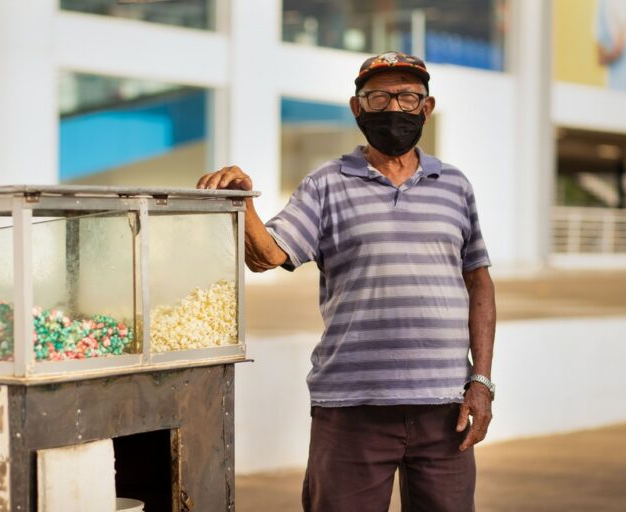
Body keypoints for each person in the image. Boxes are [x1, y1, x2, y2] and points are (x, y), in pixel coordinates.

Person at [197, 51, 496, 512]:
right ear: (357, 108)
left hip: (445, 410)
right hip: (351, 408)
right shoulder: (325, 184)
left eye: (407, 97)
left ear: (427, 107)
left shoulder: (455, 185)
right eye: (379, 97)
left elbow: (479, 283)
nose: (394, 109)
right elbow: (268, 255)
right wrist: (243, 204)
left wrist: (481, 381)